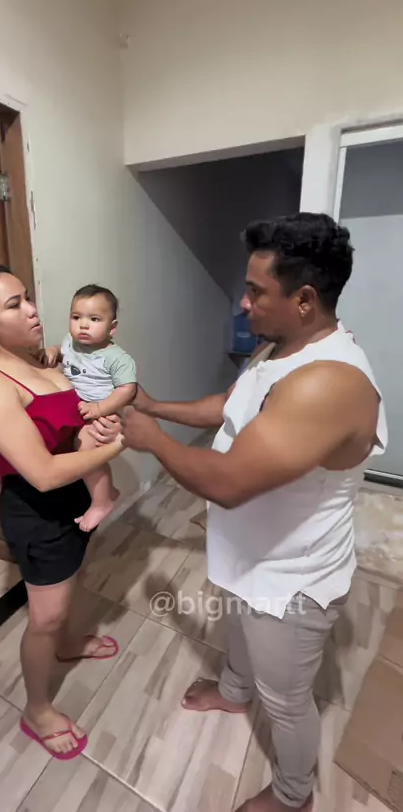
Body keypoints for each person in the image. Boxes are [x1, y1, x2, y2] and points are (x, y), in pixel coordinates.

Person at [121, 213, 387, 812]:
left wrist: (153, 440)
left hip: (291, 579)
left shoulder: (328, 384)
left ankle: (294, 795)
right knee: (238, 630)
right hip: (251, 555)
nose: (243, 304)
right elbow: (232, 404)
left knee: (286, 699)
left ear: (305, 299)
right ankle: (235, 690)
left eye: (256, 292)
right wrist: (158, 407)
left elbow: (228, 483)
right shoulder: (279, 347)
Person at [0, 265, 124, 760]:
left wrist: (94, 430)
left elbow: (65, 427)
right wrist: (116, 448)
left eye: (27, 297)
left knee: (67, 592)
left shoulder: (43, 360)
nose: (32, 310)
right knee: (45, 618)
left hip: (74, 499)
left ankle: (67, 645)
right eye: (14, 305)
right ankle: (37, 709)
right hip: (37, 512)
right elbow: (43, 473)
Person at [43, 284, 137, 532]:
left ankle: (102, 502)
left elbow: (127, 390)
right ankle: (107, 491)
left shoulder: (117, 358)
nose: (83, 325)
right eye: (76, 317)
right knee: (80, 454)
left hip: (100, 415)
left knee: (85, 451)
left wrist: (99, 409)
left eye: (94, 319)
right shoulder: (70, 343)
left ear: (112, 327)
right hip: (78, 410)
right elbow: (62, 352)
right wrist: (53, 351)